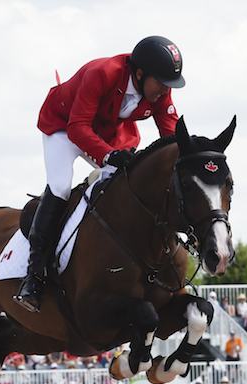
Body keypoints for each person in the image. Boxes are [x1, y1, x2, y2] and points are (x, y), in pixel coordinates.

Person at [14, 36, 185, 313]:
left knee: (127, 186)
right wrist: (107, 156)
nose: (165, 90)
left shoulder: (158, 89)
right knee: (60, 186)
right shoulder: (102, 73)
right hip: (65, 126)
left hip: (109, 132)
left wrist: (189, 157)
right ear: (140, 74)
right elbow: (78, 128)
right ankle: (33, 277)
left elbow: (172, 134)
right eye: (162, 82)